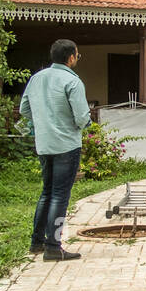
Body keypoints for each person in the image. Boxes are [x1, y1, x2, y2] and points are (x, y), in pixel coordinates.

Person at [19, 39, 92, 261]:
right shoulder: (72, 81)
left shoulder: (36, 78)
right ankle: (53, 245)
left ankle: (37, 242)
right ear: (70, 57)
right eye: (77, 56)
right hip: (67, 144)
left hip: (44, 144)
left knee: (47, 192)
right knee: (61, 195)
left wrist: (43, 123)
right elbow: (81, 117)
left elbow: (24, 109)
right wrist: (84, 125)